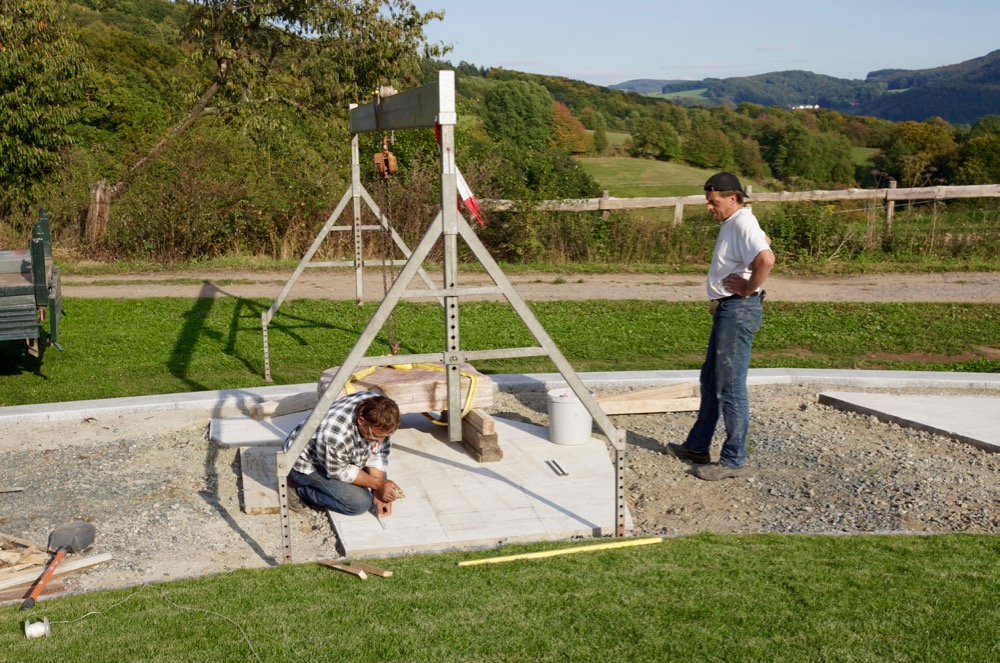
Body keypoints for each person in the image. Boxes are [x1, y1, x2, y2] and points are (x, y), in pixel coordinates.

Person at [668, 172, 775, 480]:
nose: (709, 207)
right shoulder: (740, 222)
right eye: (707, 201)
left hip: (738, 309)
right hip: (728, 310)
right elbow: (764, 241)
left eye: (713, 202)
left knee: (730, 387)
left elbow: (766, 258)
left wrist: (748, 288)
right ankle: (697, 447)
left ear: (733, 197)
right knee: (711, 380)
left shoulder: (741, 221)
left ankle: (733, 460)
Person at [283, 391, 405, 517]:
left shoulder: (379, 406)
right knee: (360, 504)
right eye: (375, 435)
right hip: (307, 464)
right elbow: (340, 471)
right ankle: (300, 488)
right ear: (361, 420)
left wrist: (378, 491)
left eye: (385, 436)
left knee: (380, 478)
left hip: (340, 454)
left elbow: (377, 453)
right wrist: (378, 485)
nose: (380, 441)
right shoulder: (333, 434)